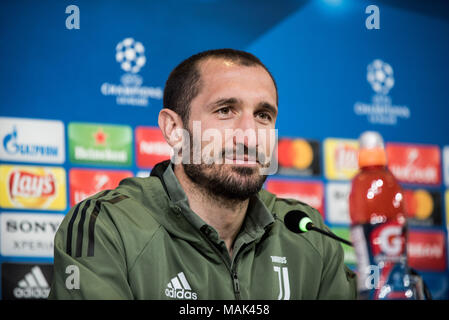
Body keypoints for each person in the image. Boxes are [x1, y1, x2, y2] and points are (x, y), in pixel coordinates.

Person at [49, 48, 357, 300]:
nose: (249, 137)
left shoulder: (307, 234)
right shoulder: (107, 225)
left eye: (263, 116)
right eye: (225, 111)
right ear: (173, 129)